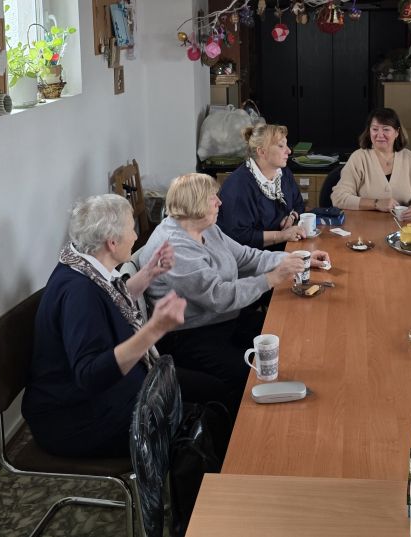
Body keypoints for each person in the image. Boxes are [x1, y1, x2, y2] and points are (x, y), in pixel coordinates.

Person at [22, 194, 229, 457]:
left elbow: (110, 301)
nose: (135, 235)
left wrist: (149, 273)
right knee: (204, 420)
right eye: (132, 228)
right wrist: (154, 328)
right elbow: (90, 375)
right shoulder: (79, 293)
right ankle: (201, 492)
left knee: (216, 391)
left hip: (117, 387)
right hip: (77, 418)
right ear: (111, 242)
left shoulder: (81, 263)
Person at [140, 173, 330, 399]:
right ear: (195, 205)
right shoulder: (174, 247)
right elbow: (218, 296)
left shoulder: (206, 227)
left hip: (223, 320)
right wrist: (270, 279)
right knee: (251, 376)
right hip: (190, 336)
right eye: (213, 198)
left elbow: (246, 257)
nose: (220, 202)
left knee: (287, 338)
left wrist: (297, 258)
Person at [330, 107, 411, 219]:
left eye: (386, 129)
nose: (380, 135)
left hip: (404, 227)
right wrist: (375, 203)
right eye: (375, 129)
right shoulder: (359, 158)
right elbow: (338, 197)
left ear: (397, 132)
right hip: (365, 227)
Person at [218, 123, 306, 251]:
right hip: (250, 260)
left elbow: (299, 204)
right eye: (281, 146)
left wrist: (292, 217)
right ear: (262, 152)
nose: (289, 151)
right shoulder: (238, 186)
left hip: (283, 249)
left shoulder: (284, 173)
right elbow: (240, 237)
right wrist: (281, 235)